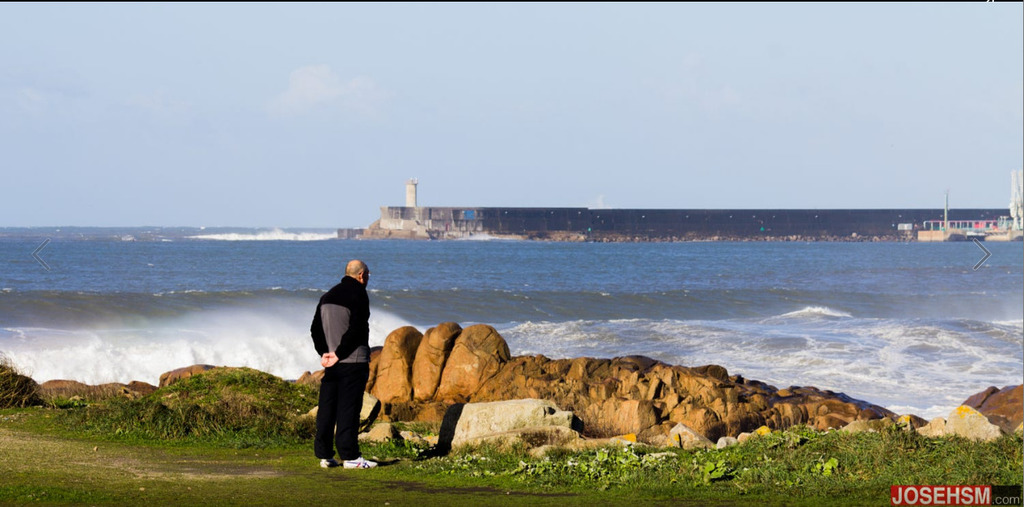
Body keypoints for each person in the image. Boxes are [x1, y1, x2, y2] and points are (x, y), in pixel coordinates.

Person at [310, 259, 377, 469]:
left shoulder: (327, 296)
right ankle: (350, 457)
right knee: (349, 408)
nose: (367, 278)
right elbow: (357, 329)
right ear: (361, 275)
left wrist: (325, 353)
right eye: (367, 275)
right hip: (353, 361)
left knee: (327, 408)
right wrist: (338, 354)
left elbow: (315, 329)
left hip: (332, 363)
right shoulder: (358, 294)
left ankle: (325, 455)